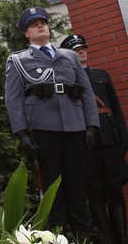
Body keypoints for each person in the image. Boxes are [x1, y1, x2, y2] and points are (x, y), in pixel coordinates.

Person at [5, 7, 99, 243]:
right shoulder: (18, 60)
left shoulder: (68, 56)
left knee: (78, 184)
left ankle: (83, 236)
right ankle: (57, 236)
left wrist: (92, 125)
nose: (40, 26)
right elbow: (13, 99)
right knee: (51, 189)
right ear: (26, 33)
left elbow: (86, 91)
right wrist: (22, 133)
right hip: (43, 130)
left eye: (43, 22)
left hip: (75, 128)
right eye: (34, 24)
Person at [60, 34, 128, 244]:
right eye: (76, 49)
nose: (81, 52)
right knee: (95, 192)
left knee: (115, 189)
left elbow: (116, 109)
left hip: (108, 137)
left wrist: (123, 136)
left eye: (83, 48)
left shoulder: (102, 75)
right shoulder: (67, 81)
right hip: (85, 142)